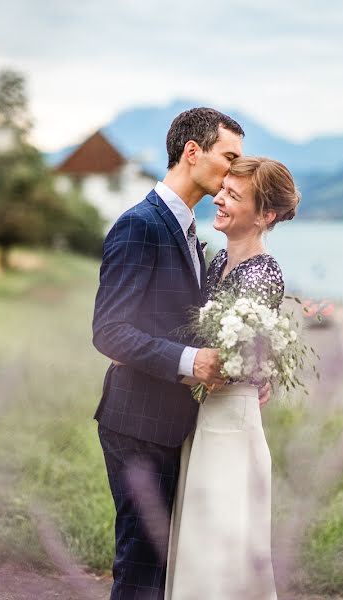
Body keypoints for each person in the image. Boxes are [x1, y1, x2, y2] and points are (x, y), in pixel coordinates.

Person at [92, 107, 246, 600]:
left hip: (168, 423)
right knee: (139, 568)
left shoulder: (187, 232)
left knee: (157, 568)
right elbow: (109, 331)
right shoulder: (140, 225)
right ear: (192, 152)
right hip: (136, 423)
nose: (236, 170)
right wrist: (189, 362)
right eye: (230, 157)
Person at [165, 156, 300, 600]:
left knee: (222, 558)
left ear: (266, 215)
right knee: (198, 549)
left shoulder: (264, 273)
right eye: (223, 189)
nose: (219, 198)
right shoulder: (219, 258)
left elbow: (230, 360)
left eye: (233, 196)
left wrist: (151, 363)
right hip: (205, 421)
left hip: (231, 426)